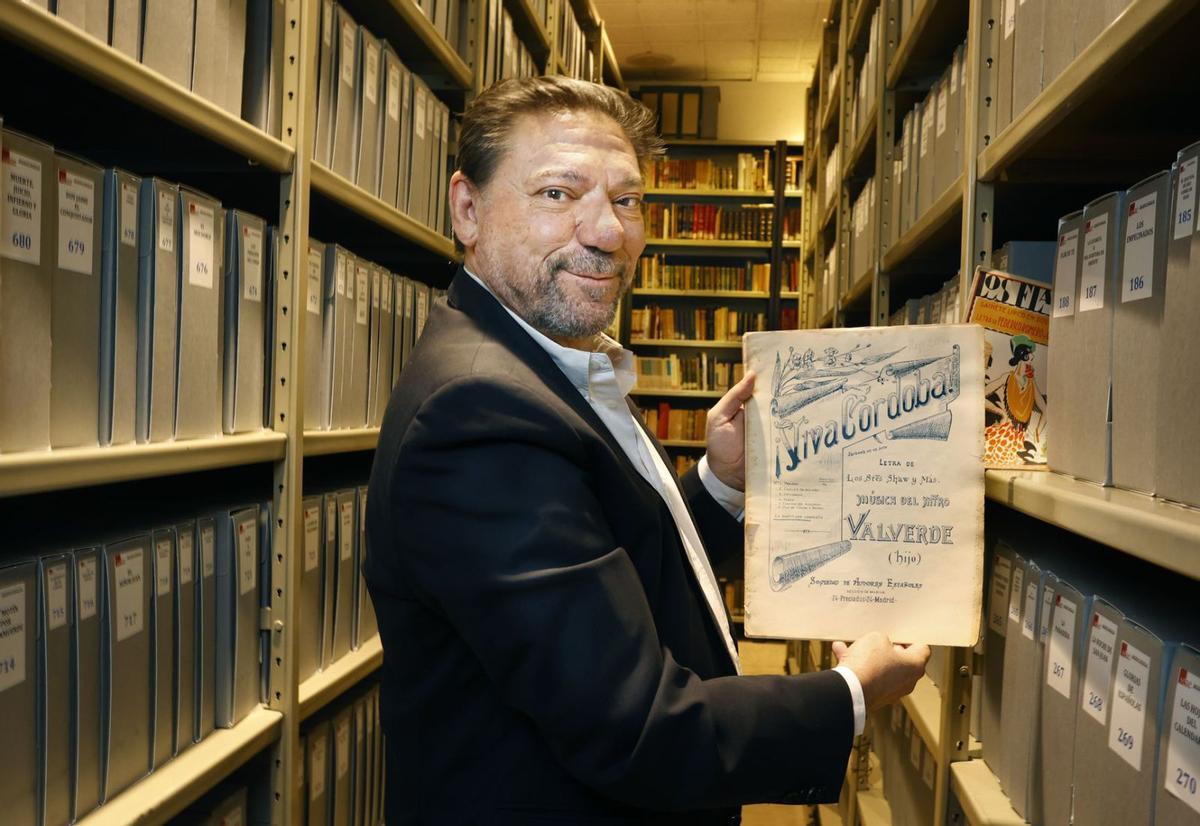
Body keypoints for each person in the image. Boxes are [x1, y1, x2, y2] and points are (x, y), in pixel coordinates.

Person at [365, 76, 930, 826]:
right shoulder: (479, 412)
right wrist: (850, 694)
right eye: (559, 195)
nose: (609, 232)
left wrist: (719, 484)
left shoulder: (546, 359)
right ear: (467, 209)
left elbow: (611, 568)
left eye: (627, 200)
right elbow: (634, 727)